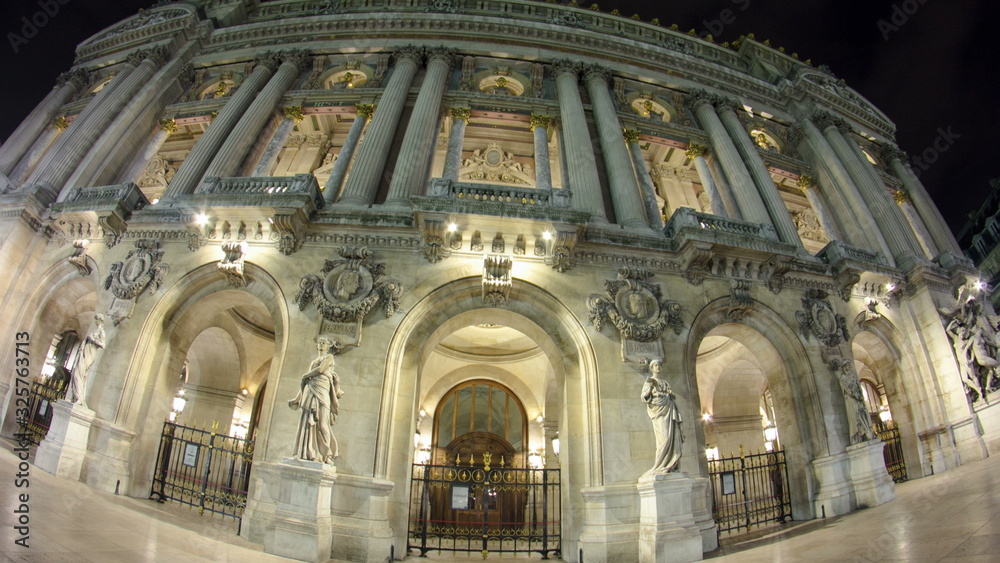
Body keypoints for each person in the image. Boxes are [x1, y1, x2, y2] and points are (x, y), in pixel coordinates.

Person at [288, 337, 344, 464]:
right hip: (310, 390)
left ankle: (327, 455)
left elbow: (320, 370)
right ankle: (307, 452)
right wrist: (297, 398)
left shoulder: (329, 358)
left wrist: (306, 375)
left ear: (328, 345)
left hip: (323, 391)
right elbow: (306, 382)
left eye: (324, 342)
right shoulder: (313, 361)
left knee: (323, 424)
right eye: (319, 342)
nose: (321, 344)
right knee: (307, 422)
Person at [641, 359, 683, 476]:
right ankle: (659, 465)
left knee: (672, 437)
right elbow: (644, 396)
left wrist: (669, 395)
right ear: (651, 368)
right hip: (658, 411)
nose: (658, 367)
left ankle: (671, 464)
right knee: (663, 438)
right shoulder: (649, 381)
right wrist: (651, 388)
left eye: (659, 365)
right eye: (655, 365)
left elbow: (671, 395)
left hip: (669, 409)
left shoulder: (665, 382)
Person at [68, 314, 105, 408]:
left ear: (99, 320)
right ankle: (76, 397)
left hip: (90, 354)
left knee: (79, 374)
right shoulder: (95, 330)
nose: (95, 321)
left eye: (96, 319)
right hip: (84, 354)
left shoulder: (101, 332)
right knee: (76, 373)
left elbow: (102, 344)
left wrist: (92, 339)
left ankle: (80, 399)